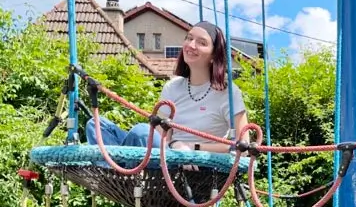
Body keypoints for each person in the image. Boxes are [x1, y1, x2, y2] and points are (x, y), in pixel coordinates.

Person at [86, 21, 249, 152]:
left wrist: (192, 148)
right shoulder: (173, 87)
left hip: (194, 164)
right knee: (96, 125)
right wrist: (171, 145)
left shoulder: (228, 93)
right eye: (189, 38)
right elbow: (161, 135)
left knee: (141, 132)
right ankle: (119, 173)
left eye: (201, 43)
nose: (191, 45)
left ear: (214, 56)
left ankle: (120, 172)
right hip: (168, 153)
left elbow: (243, 145)